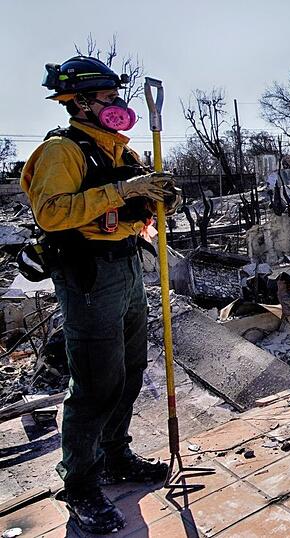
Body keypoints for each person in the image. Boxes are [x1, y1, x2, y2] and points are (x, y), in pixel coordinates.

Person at [21, 56, 179, 534]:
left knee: (129, 369)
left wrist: (159, 198)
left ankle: (114, 456)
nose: (118, 105)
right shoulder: (62, 151)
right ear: (81, 102)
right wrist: (124, 190)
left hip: (126, 264)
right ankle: (80, 485)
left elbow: (140, 206)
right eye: (109, 98)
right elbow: (52, 212)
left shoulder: (120, 152)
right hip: (89, 274)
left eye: (117, 97)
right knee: (94, 383)